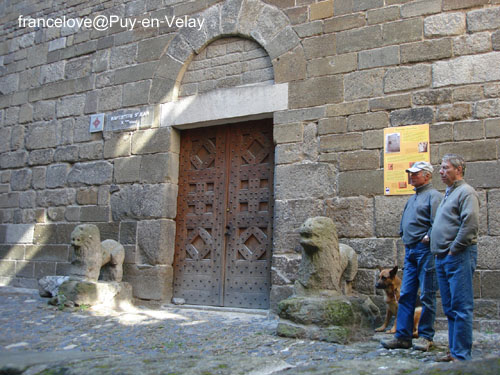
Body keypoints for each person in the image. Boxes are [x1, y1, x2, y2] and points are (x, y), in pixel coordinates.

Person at [381, 161, 442, 351]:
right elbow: (405, 220)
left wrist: (427, 237)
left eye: (416, 174)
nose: (411, 176)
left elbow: (438, 222)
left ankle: (425, 336)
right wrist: (403, 234)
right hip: (411, 251)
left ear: (427, 176)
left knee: (427, 294)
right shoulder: (413, 198)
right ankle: (403, 337)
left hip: (425, 251)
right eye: (410, 173)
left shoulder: (434, 196)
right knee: (406, 294)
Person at [431, 154, 479, 362]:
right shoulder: (449, 193)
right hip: (443, 257)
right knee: (450, 307)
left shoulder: (466, 192)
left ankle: (461, 355)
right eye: (441, 168)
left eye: (445, 168)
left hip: (458, 256)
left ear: (458, 170)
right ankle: (454, 351)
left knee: (461, 307)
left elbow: (470, 224)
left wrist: (453, 249)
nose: (440, 172)